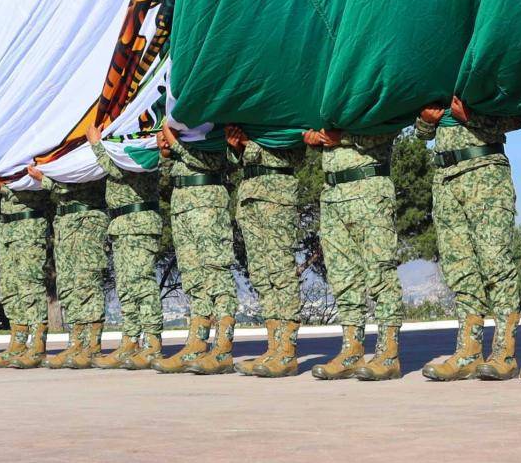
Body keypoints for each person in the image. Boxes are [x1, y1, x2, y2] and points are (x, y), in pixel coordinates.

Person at [413, 95, 521, 381]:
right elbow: (422, 133)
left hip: (484, 170)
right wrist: (425, 121)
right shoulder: (439, 72)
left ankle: (505, 353)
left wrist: (471, 116)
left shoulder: (484, 64)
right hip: (445, 177)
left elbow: (519, 115)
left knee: (495, 263)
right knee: (459, 269)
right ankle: (468, 352)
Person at [307, 127, 404, 381]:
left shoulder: (370, 90)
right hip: (332, 191)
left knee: (381, 274)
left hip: (369, 187)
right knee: (343, 278)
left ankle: (388, 354)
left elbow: (388, 126)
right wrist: (315, 138)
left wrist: (346, 137)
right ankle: (352, 351)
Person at [153, 121, 239, 375]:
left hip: (207, 201)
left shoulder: (211, 125)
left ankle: (222, 349)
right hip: (182, 202)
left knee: (216, 274)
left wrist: (175, 142)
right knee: (193, 279)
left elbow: (209, 161)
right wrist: (167, 152)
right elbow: (172, 170)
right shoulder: (185, 129)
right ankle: (196, 345)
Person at [230, 125, 307, 378]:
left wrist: (250, 142)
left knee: (280, 272)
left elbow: (293, 150)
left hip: (276, 193)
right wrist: (238, 145)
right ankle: (274, 348)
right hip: (249, 192)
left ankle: (287, 351)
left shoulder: (283, 114)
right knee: (261, 275)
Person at [90, 122, 165, 370]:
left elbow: (119, 170)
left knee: (141, 284)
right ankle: (130, 341)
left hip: (139, 223)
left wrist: (96, 145)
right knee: (126, 287)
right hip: (122, 225)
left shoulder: (138, 148)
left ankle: (152, 344)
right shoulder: (120, 146)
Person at [0, 167, 53, 369]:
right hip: (7, 230)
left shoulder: (31, 160)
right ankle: (17, 344)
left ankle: (37, 347)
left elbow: (40, 192)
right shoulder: (6, 164)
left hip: (29, 228)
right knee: (9, 290)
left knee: (30, 288)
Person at [43, 164, 109, 369]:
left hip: (87, 222)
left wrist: (44, 179)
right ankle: (77, 343)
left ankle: (92, 346)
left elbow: (78, 180)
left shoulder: (85, 158)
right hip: (65, 224)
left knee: (86, 285)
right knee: (69, 287)